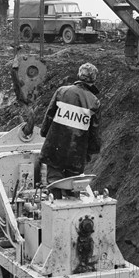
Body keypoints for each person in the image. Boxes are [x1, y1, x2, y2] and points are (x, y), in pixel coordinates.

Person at [25, 63, 101, 199]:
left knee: (54, 182)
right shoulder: (94, 101)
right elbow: (94, 130)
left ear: (78, 76)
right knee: (74, 185)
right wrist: (90, 151)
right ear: (93, 80)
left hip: (55, 148)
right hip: (77, 152)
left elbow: (49, 115)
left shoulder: (62, 91)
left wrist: (44, 134)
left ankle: (55, 202)